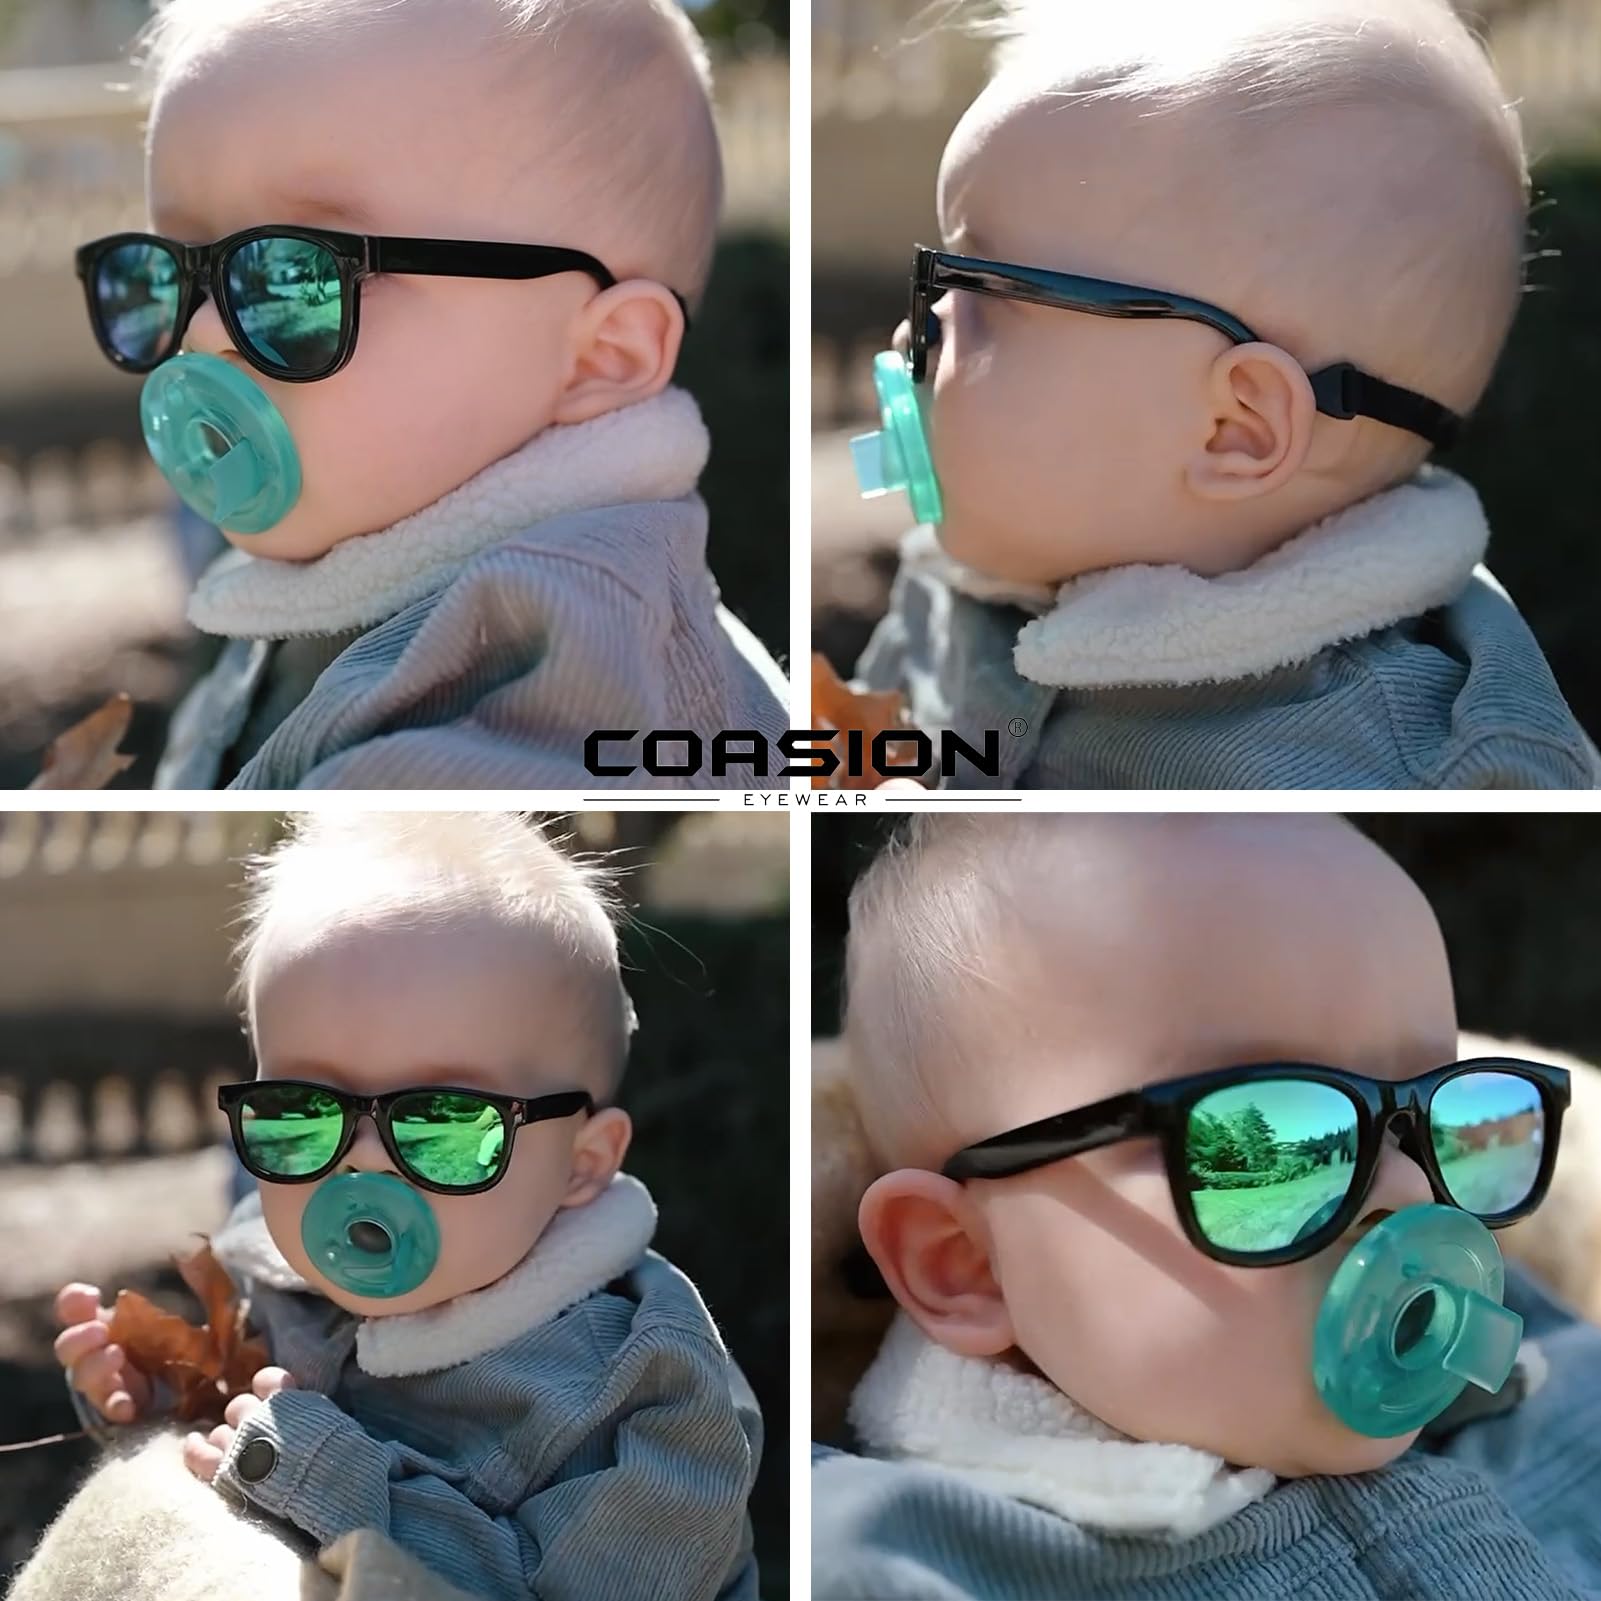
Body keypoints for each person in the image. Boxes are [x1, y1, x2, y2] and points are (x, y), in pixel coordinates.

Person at [813, 813, 1601, 1597]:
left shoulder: (1540, 1383)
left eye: (1440, 1125)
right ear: (965, 1265)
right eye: (1273, 1144)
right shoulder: (912, 1564)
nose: (1412, 1192)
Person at [847, 0, 1595, 788]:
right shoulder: (952, 592)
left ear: (1235, 428)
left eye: (989, 291)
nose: (915, 330)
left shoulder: (1426, 775)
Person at [73, 0, 786, 788]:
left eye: (297, 275)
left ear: (601, 358)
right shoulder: (353, 553)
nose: (204, 330)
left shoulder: (564, 652)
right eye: (164, 274)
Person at [52, 812, 761, 1601]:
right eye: (302, 1111)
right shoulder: (277, 1280)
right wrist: (165, 1400)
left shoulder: (639, 1385)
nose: (361, 1159)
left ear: (580, 1164)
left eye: (442, 1122)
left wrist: (330, 1480)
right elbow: (225, 1449)